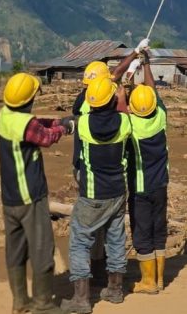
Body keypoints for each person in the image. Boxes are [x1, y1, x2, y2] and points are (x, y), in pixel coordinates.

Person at [0, 72, 74, 314]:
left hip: (9, 199)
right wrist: (66, 127)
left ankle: (20, 302)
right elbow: (46, 137)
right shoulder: (26, 125)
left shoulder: (5, 116)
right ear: (29, 99)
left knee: (16, 250)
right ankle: (43, 304)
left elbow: (37, 124)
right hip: (30, 197)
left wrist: (58, 120)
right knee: (42, 250)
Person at [62, 74, 133, 313]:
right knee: (115, 239)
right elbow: (123, 112)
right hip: (117, 192)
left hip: (93, 194)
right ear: (112, 99)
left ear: (91, 102)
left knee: (80, 242)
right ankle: (115, 290)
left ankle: (81, 299)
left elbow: (69, 123)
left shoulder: (83, 124)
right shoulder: (125, 123)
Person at [126, 50, 169, 294]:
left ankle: (148, 282)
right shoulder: (161, 116)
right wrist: (147, 65)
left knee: (142, 234)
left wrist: (130, 75)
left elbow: (123, 103)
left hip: (140, 188)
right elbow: (153, 92)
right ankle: (160, 278)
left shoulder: (131, 125)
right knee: (158, 230)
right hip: (161, 184)